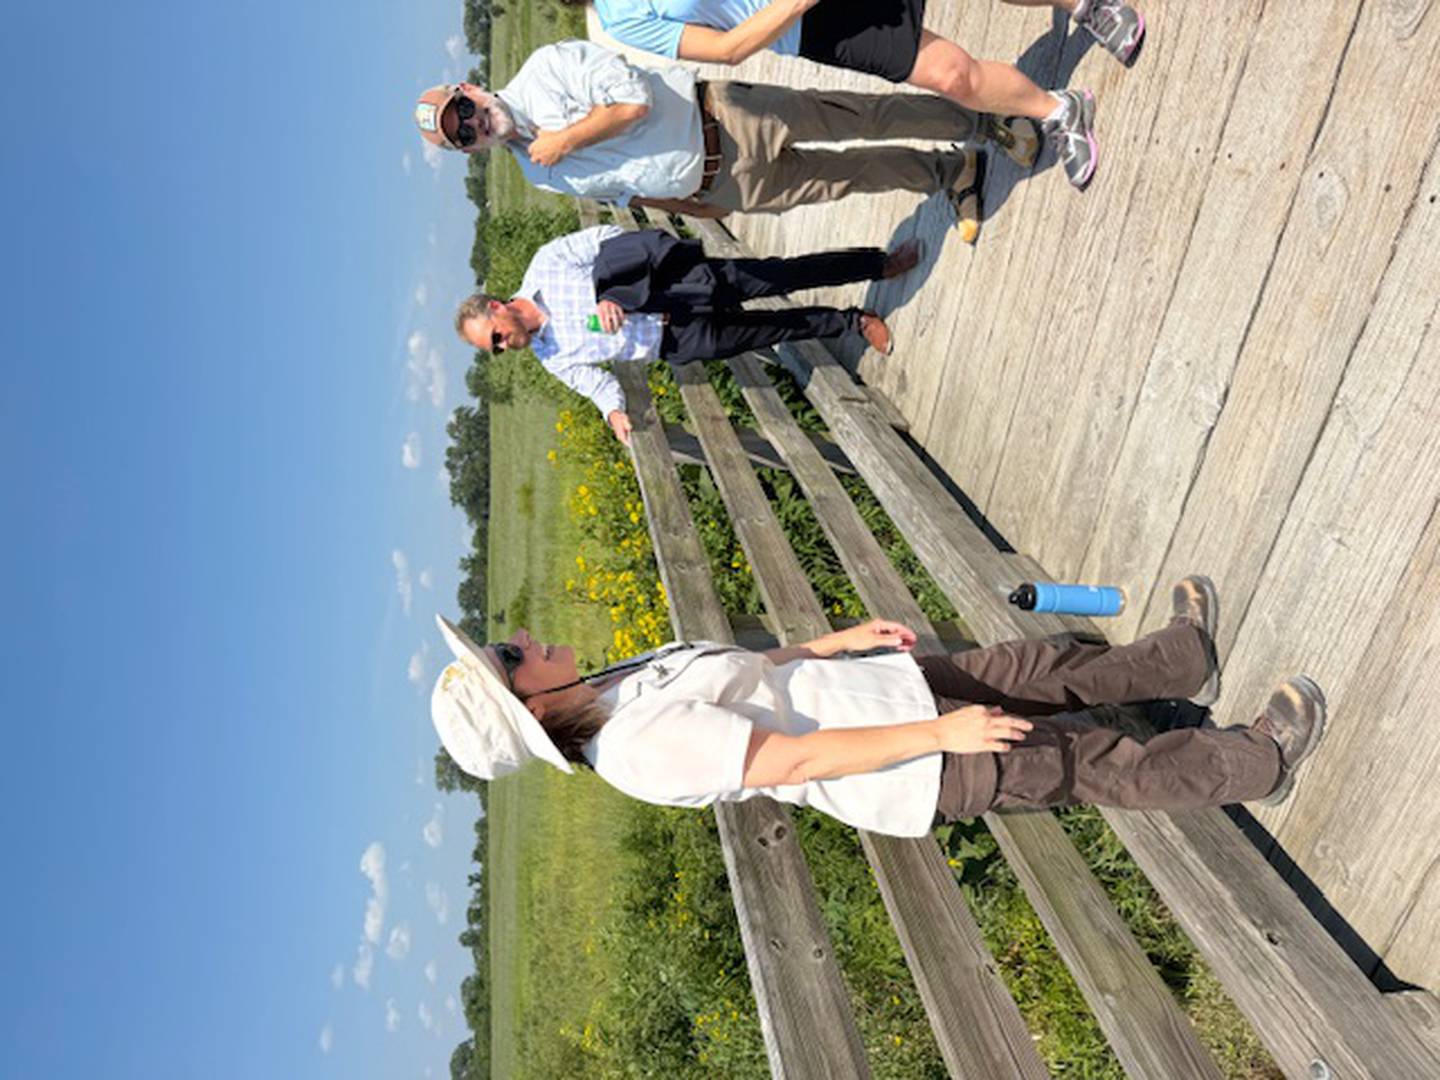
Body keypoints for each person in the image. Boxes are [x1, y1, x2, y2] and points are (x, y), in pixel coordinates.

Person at [429, 576, 1328, 836]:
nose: (518, 639)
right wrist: (941, 733)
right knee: (1087, 764)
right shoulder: (634, 752)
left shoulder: (616, 684)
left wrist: (823, 645)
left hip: (881, 691)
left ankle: (1183, 658)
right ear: (529, 709)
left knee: (1039, 665)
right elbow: (798, 763)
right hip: (912, 758)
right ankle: (1257, 762)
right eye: (507, 656)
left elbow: (744, 673)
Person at [413, 39, 1040, 234]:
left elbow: (631, 102)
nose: (470, 123)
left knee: (860, 118)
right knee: (846, 180)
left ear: (469, 87)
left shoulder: (546, 71)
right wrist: (694, 208)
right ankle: (950, 174)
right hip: (724, 183)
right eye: (461, 136)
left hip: (724, 115)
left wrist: (565, 140)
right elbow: (623, 193)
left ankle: (985, 122)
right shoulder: (534, 172)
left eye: (461, 110)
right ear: (471, 151)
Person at [583, 0, 1146, 189]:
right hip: (809, 24)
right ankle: (1058, 109)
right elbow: (730, 48)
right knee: (952, 77)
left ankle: (1087, 5)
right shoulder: (623, 17)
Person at [454, 224, 918, 444]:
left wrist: (606, 292)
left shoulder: (545, 264)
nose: (501, 348)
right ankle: (854, 321)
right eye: (493, 350)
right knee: (773, 330)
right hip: (674, 341)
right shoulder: (551, 357)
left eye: (494, 337)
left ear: (497, 307)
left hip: (674, 290)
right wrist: (613, 410)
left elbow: (606, 239)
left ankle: (878, 263)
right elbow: (592, 382)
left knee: (780, 276)